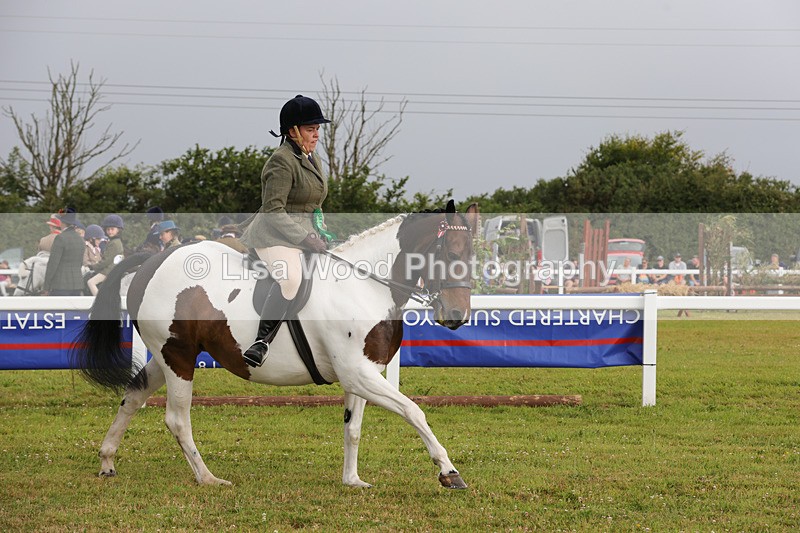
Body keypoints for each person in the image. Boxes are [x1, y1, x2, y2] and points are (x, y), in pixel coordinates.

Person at [239, 94, 331, 368]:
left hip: (302, 235)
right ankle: (261, 342)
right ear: (292, 131)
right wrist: (305, 237)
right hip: (272, 235)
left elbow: (314, 206)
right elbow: (273, 210)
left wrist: (323, 232)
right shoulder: (281, 161)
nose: (316, 135)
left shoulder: (312, 159)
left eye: (317, 129)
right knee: (291, 279)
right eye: (310, 129)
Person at [42, 209, 86, 296]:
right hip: (77, 285)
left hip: (60, 285)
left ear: (62, 222)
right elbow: (80, 263)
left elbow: (53, 264)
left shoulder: (60, 238)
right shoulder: (81, 239)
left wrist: (46, 287)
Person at [87, 214, 125, 296]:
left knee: (90, 282)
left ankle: (99, 300)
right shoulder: (116, 241)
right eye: (108, 229)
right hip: (113, 268)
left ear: (118, 230)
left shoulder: (114, 243)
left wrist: (93, 267)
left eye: (112, 229)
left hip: (109, 270)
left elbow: (106, 261)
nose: (110, 231)